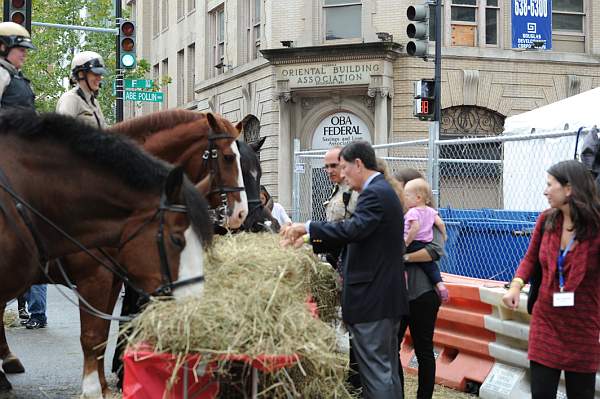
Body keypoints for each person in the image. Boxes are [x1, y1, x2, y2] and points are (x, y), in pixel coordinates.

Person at [282, 140, 408, 399]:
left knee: (376, 374)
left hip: (373, 299)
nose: (343, 175)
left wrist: (308, 228)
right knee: (385, 372)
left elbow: (354, 230)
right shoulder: (382, 191)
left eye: (344, 167)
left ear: (358, 164)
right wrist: (310, 237)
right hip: (382, 298)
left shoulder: (374, 193)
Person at [502, 160, 600, 399]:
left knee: (581, 393)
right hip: (546, 320)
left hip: (583, 324)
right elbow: (530, 259)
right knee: (541, 393)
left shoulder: (596, 227)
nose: (545, 191)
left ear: (569, 189)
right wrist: (516, 286)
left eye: (550, 185)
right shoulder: (547, 220)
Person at [0, 22, 48, 330]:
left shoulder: (17, 77)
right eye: (20, 50)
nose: (24, 56)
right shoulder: (0, 73)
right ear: (3, 48)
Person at [394, 168, 446, 399]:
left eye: (401, 189)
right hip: (398, 294)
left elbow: (435, 250)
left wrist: (403, 257)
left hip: (422, 293)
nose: (398, 194)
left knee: (424, 349)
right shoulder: (399, 216)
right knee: (391, 348)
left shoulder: (426, 215)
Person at [403, 178, 449, 302]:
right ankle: (440, 284)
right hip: (425, 243)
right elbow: (441, 224)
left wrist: (407, 242)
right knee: (430, 266)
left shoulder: (412, 212)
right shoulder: (432, 211)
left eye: (406, 196)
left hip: (413, 242)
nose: (404, 198)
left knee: (399, 261)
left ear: (418, 198)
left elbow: (415, 227)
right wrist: (444, 235)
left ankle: (404, 284)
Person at [56, 51, 107, 128]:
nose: (99, 78)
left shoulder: (94, 101)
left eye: (100, 74)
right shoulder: (70, 99)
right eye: (95, 74)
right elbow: (61, 131)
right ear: (81, 74)